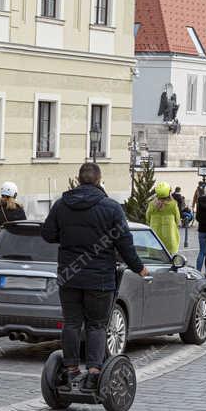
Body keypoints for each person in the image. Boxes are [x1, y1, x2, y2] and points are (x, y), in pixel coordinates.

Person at [42, 163, 147, 390]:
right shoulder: (111, 208)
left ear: (78, 179)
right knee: (97, 326)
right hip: (100, 278)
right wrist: (139, 267)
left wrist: (68, 236)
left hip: (69, 275)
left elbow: (48, 234)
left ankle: (70, 371)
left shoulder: (62, 205)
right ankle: (93, 373)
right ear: (99, 180)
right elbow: (125, 243)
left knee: (70, 323)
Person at [146, 182, 180, 256]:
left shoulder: (151, 204)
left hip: (154, 240)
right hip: (170, 240)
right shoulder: (173, 204)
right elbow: (178, 220)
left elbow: (147, 218)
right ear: (168, 193)